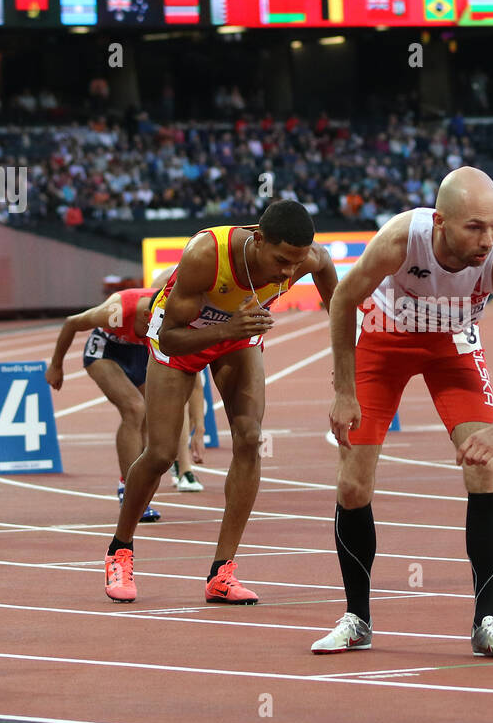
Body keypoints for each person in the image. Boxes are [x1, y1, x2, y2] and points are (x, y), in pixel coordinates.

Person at [315, 166, 493, 658]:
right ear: (440, 221)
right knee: (353, 481)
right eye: (475, 227)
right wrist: (344, 389)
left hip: (452, 345)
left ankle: (487, 621)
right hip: (384, 341)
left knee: (485, 466)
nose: (488, 238)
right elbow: (344, 299)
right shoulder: (400, 240)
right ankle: (357, 618)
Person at [104, 199, 338, 604]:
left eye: (294, 264)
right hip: (180, 338)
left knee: (249, 438)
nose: (287, 272)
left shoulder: (304, 258)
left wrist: (343, 345)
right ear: (258, 239)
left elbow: (326, 269)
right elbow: (171, 337)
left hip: (238, 334)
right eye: (281, 260)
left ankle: (221, 573)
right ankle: (119, 550)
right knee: (160, 453)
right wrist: (228, 327)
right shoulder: (207, 256)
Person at [46, 284, 200, 526]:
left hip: (141, 355)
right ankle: (131, 492)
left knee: (153, 415)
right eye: (151, 327)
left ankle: (127, 481)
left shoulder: (170, 312)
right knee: (134, 409)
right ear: (146, 316)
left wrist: (196, 421)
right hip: (107, 353)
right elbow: (71, 323)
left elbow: (192, 369)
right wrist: (56, 365)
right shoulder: (116, 310)